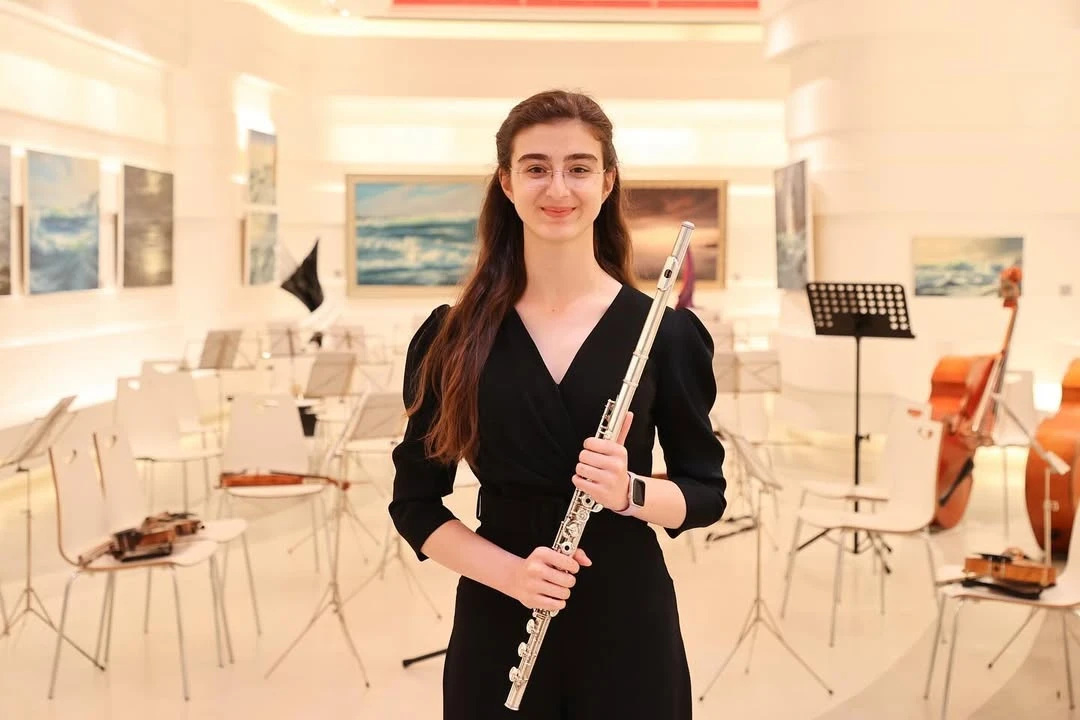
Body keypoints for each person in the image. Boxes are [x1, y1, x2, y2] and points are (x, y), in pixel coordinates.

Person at [388, 89, 727, 720]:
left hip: (629, 620)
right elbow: (413, 504)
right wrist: (510, 575)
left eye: (578, 167)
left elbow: (706, 493)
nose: (558, 189)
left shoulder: (667, 331)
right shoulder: (450, 336)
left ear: (606, 182)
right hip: (500, 609)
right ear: (507, 183)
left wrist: (630, 491)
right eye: (536, 167)